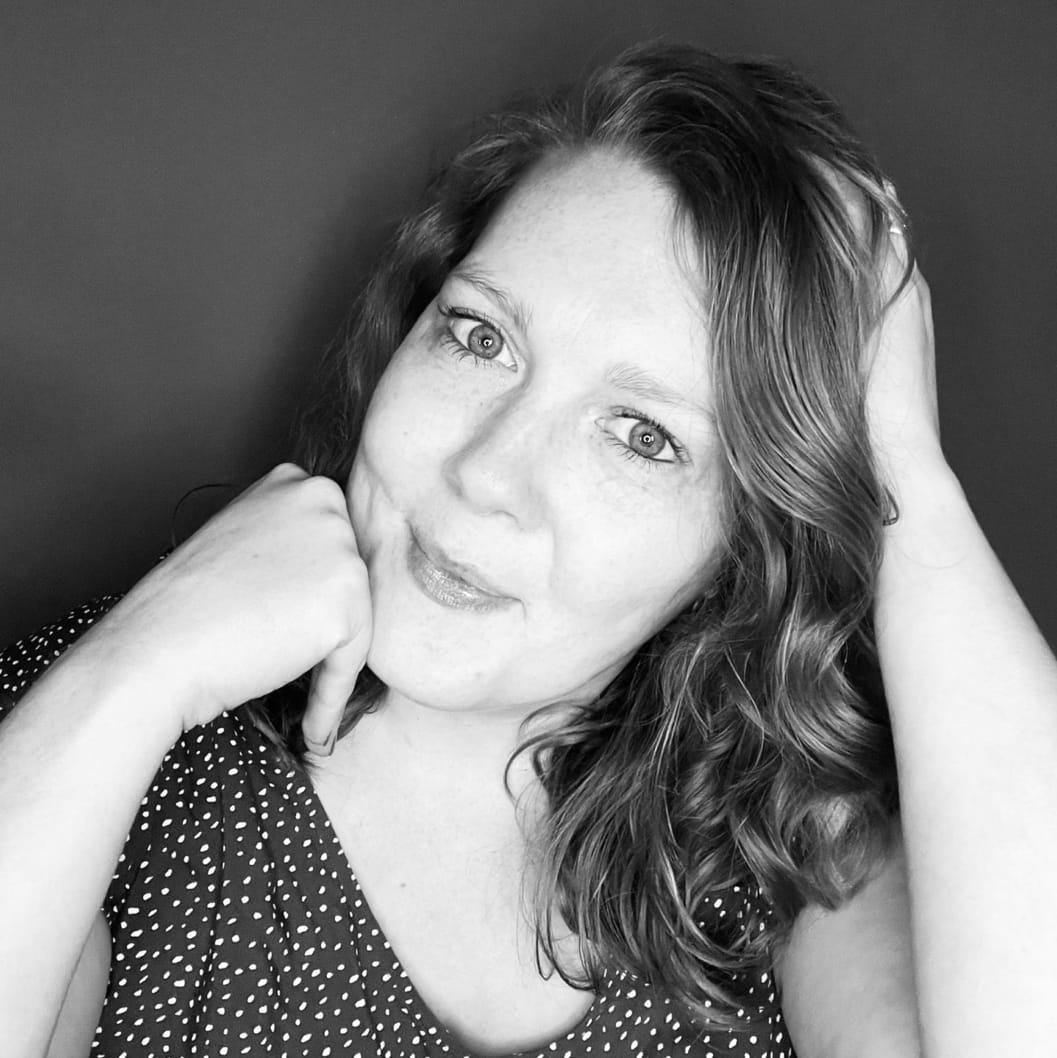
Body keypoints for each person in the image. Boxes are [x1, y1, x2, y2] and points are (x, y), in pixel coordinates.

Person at [1, 40, 1055, 1058]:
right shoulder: (82, 742)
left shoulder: (774, 834)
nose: (486, 472)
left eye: (641, 435)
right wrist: (133, 668)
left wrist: (907, 479)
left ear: (743, 543)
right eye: (480, 337)